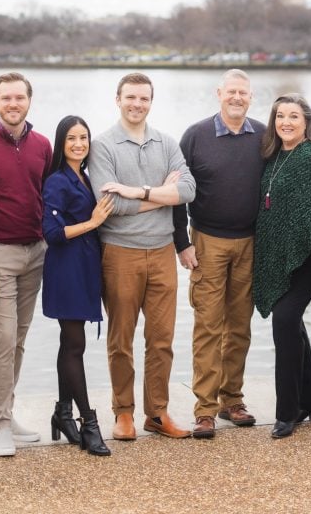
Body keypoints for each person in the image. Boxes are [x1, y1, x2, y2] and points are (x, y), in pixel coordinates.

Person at [88, 72, 196, 441]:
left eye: (144, 98)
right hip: (120, 254)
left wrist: (141, 192)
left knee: (162, 338)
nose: (137, 104)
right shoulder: (102, 146)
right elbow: (111, 204)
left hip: (163, 252)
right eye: (130, 97)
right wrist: (160, 195)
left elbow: (187, 190)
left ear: (151, 101)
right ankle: (123, 413)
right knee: (121, 338)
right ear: (117, 99)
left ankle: (157, 412)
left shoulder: (166, 143)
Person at [174, 69, 266, 439]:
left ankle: (232, 400)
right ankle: (205, 409)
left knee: (240, 326)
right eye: (231, 92)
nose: (237, 98)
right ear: (219, 93)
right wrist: (182, 241)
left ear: (251, 96)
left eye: (243, 93)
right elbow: (178, 191)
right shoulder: (195, 136)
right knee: (209, 326)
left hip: (250, 242)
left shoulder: (263, 135)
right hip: (207, 241)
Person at [0, 72, 53, 457]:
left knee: (18, 340)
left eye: (19, 97)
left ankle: (8, 413)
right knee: (1, 340)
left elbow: (48, 194)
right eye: (6, 98)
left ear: (29, 101)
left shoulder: (42, 144)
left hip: (35, 252)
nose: (13, 104)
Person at [253, 94, 311, 439]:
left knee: (284, 323)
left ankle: (288, 412)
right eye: (280, 116)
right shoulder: (273, 156)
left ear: (306, 121)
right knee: (292, 324)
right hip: (278, 254)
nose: (286, 122)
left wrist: (303, 239)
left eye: (293, 116)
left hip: (307, 257)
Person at [42, 115, 113, 457]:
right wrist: (94, 221)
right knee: (75, 345)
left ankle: (63, 413)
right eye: (71, 138)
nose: (79, 144)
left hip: (85, 268)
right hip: (66, 270)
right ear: (61, 142)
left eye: (84, 137)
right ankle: (89, 422)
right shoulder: (57, 181)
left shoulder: (85, 177)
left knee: (68, 344)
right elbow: (52, 234)